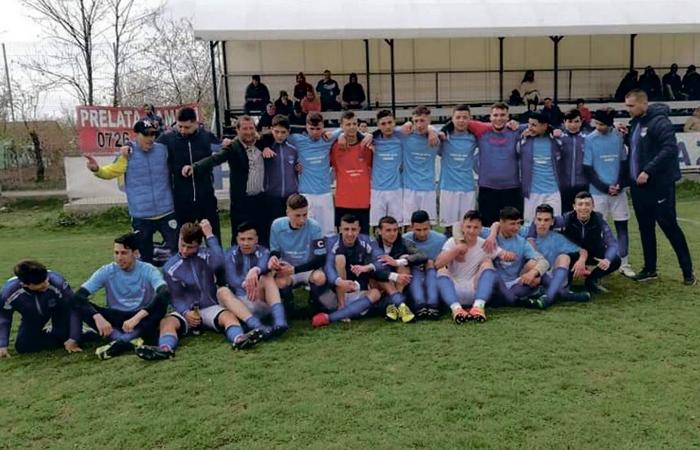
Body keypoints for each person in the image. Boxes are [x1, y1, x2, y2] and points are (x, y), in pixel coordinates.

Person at [135, 221, 263, 361]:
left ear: (199, 245)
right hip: (186, 311)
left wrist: (209, 235)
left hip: (210, 307)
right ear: (179, 238)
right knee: (167, 322)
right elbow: (175, 297)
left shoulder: (206, 256)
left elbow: (220, 260)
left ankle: (239, 339)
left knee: (228, 317)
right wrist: (186, 312)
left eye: (190, 247)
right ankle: (165, 349)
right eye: (182, 244)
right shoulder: (170, 267)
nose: (184, 250)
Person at [622, 89, 695, 285]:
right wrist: (626, 136)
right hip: (639, 187)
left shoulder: (660, 122)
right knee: (645, 228)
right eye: (627, 105)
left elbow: (670, 149)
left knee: (669, 226)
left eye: (631, 106)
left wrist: (648, 170)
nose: (628, 109)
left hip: (659, 185)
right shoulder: (635, 123)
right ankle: (649, 269)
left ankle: (687, 271)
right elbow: (638, 149)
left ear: (643, 103)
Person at [87, 120, 178, 264]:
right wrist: (97, 170)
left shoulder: (163, 150)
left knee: (176, 255)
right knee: (144, 260)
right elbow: (111, 171)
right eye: (146, 134)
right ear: (136, 135)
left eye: (153, 134)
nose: (150, 138)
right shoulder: (127, 154)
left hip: (167, 212)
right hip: (141, 215)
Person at [71, 232, 169, 360]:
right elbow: (78, 296)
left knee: (161, 303)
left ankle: (120, 341)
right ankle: (129, 340)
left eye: (124, 253)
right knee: (76, 303)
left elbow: (164, 292)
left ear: (135, 253)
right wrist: (97, 316)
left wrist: (137, 318)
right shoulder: (107, 271)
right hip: (115, 317)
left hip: (140, 317)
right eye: (116, 253)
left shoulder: (148, 270)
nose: (119, 258)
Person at [184, 116, 266, 246]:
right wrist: (195, 167)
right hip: (241, 202)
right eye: (245, 128)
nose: (249, 132)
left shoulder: (263, 143)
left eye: (251, 128)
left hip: (261, 201)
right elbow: (215, 159)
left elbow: (277, 133)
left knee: (262, 237)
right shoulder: (233, 147)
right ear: (237, 130)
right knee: (239, 238)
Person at [528, 192, 621, 293]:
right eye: (580, 204)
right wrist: (531, 239)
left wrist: (607, 259)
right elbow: (537, 221)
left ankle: (592, 279)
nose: (583, 208)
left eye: (587, 204)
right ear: (574, 206)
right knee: (564, 283)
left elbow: (612, 243)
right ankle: (565, 281)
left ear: (593, 206)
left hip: (594, 253)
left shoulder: (599, 220)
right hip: (573, 255)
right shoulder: (566, 219)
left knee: (615, 259)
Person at [157, 107, 224, 240]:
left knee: (213, 237)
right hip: (181, 200)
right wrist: (129, 146)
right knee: (184, 241)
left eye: (187, 127)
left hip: (206, 198)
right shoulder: (167, 138)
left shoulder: (206, 137)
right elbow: (147, 147)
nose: (182, 130)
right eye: (180, 126)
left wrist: (225, 143)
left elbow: (222, 152)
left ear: (195, 123)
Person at [583, 109, 635, 277]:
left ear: (610, 123)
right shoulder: (590, 139)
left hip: (618, 192)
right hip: (598, 193)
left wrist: (619, 184)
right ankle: (600, 263)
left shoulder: (618, 136)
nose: (598, 127)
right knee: (597, 229)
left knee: (622, 227)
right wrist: (605, 187)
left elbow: (623, 162)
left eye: (602, 124)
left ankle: (624, 264)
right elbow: (588, 169)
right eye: (596, 123)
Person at [216, 222, 288, 339]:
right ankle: (258, 327)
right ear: (237, 239)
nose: (246, 243)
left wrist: (256, 271)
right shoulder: (229, 254)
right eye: (242, 239)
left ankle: (280, 322)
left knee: (267, 277)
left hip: (258, 299)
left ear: (256, 239)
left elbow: (264, 266)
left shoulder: (264, 252)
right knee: (222, 291)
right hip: (238, 303)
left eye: (250, 239)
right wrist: (247, 283)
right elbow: (231, 278)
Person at [310, 214, 385, 327]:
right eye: (346, 229)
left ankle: (340, 314)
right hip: (335, 293)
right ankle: (342, 306)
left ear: (359, 229)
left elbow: (381, 260)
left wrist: (367, 267)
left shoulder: (367, 240)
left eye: (353, 229)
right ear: (340, 229)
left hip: (357, 291)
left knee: (376, 293)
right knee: (340, 258)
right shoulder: (331, 241)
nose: (350, 233)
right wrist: (339, 281)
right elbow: (328, 267)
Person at [0, 260, 83, 357]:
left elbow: (73, 308)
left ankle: (78, 332)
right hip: (31, 316)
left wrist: (74, 338)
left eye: (46, 279)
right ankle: (55, 334)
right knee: (23, 347)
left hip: (59, 310)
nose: (46, 284)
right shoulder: (9, 292)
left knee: (66, 335)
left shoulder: (57, 282)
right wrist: (2, 345)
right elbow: (4, 317)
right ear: (25, 284)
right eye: (41, 284)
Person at [435, 210, 506, 323]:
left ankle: (478, 307)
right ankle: (456, 309)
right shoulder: (452, 242)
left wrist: (508, 255)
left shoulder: (484, 244)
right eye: (468, 227)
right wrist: (456, 250)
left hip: (475, 289)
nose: (472, 231)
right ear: (462, 227)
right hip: (453, 289)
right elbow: (438, 264)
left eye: (475, 227)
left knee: (488, 264)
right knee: (441, 270)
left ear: (481, 229)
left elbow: (503, 254)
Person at [268, 194, 330, 314]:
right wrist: (274, 258)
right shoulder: (277, 225)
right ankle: (289, 305)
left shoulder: (314, 227)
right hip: (287, 268)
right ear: (288, 212)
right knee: (280, 282)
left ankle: (314, 304)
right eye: (297, 215)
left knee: (320, 277)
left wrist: (295, 270)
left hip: (307, 268)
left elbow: (321, 258)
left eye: (305, 215)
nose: (302, 220)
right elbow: (275, 251)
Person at [465, 103, 524, 226]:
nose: (499, 118)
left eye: (502, 115)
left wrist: (554, 130)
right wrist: (433, 131)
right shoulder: (482, 130)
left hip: (512, 189)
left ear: (508, 117)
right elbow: (458, 120)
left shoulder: (516, 131)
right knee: (488, 227)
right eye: (495, 115)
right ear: (490, 117)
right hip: (488, 189)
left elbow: (538, 125)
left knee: (513, 227)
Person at [523, 204, 592, 309]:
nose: (542, 223)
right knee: (533, 263)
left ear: (552, 222)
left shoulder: (557, 238)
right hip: (531, 277)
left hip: (551, 276)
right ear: (534, 221)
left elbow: (582, 251)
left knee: (564, 257)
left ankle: (548, 295)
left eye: (546, 220)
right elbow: (500, 225)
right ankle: (565, 294)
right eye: (539, 219)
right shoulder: (523, 232)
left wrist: (581, 261)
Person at [482, 207, 549, 309]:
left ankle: (559, 294)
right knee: (488, 268)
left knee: (537, 271)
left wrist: (532, 273)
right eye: (512, 224)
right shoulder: (487, 233)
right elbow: (458, 226)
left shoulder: (521, 242)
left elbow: (544, 262)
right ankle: (527, 299)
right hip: (495, 283)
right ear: (502, 222)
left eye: (519, 223)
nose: (517, 227)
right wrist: (492, 235)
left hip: (514, 283)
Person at [287, 112, 340, 236]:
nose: (315, 132)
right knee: (306, 232)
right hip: (306, 194)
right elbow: (278, 136)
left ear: (323, 127)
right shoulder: (297, 139)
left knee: (327, 232)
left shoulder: (328, 139)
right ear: (306, 127)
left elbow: (345, 129)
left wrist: (335, 134)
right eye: (311, 128)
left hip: (325, 193)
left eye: (318, 129)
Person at [375, 216, 426, 323]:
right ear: (379, 231)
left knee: (404, 261)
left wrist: (397, 262)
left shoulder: (403, 242)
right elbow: (373, 271)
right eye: (388, 230)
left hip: (400, 284)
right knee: (378, 267)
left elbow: (422, 256)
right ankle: (400, 304)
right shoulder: (373, 245)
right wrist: (395, 276)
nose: (392, 233)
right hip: (381, 283)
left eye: (395, 230)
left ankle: (395, 305)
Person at [438, 104, 478, 235]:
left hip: (467, 187)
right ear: (452, 119)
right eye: (458, 117)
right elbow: (426, 129)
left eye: (465, 117)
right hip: (448, 187)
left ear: (470, 119)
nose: (461, 120)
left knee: (467, 227)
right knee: (449, 228)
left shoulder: (474, 138)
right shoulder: (443, 137)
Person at [331, 111, 373, 234]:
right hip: (343, 202)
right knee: (343, 239)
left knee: (363, 238)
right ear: (341, 127)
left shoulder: (367, 146)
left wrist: (370, 135)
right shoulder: (335, 147)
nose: (352, 127)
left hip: (363, 202)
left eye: (354, 124)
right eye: (348, 124)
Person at [260, 115, 299, 246]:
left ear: (289, 132)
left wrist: (298, 167)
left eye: (283, 132)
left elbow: (296, 167)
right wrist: (264, 147)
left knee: (290, 229)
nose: (279, 135)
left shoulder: (293, 149)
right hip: (272, 197)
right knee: (273, 229)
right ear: (271, 129)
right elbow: (255, 137)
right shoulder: (266, 147)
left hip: (290, 198)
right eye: (276, 131)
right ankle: (272, 253)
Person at [519, 112, 563, 222]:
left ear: (544, 126)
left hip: (553, 191)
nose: (530, 128)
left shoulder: (555, 140)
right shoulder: (524, 140)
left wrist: (559, 133)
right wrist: (522, 137)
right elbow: (515, 151)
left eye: (534, 125)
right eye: (529, 124)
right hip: (532, 192)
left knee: (554, 224)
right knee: (530, 225)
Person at [402, 210, 447, 319]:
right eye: (418, 230)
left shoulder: (441, 239)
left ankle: (433, 304)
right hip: (413, 277)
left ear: (430, 226)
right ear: (411, 227)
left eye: (425, 229)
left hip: (433, 275)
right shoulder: (404, 239)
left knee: (430, 263)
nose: (422, 233)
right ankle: (420, 304)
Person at [400, 106, 440, 225]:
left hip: (428, 188)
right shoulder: (405, 136)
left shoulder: (436, 138)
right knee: (409, 225)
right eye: (415, 121)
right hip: (409, 188)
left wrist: (432, 130)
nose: (419, 124)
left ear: (429, 120)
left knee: (428, 225)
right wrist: (406, 123)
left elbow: (447, 129)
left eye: (422, 120)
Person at [368, 110, 403, 229]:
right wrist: (371, 134)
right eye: (383, 124)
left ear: (394, 123)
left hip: (396, 189)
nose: (387, 126)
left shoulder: (402, 139)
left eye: (390, 122)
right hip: (377, 189)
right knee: (377, 226)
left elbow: (427, 128)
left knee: (396, 226)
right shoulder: (372, 141)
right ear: (378, 125)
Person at [559, 109, 589, 213]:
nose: (573, 125)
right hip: (563, 186)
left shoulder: (588, 139)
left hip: (583, 185)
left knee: (582, 215)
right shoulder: (558, 139)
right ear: (564, 122)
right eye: (570, 121)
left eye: (576, 121)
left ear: (581, 122)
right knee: (565, 216)